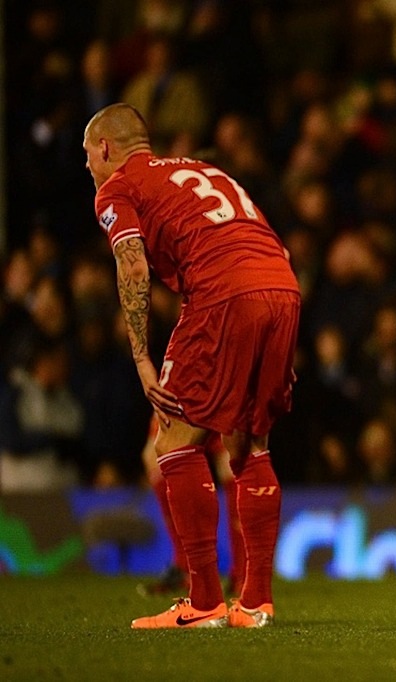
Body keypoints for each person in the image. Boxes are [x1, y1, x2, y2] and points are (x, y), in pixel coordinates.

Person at [83, 103, 300, 629]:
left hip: (223, 293)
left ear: (106, 148)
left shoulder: (116, 189)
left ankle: (203, 602)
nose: (87, 165)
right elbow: (266, 239)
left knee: (173, 443)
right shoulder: (203, 170)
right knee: (249, 443)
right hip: (281, 287)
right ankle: (255, 602)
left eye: (87, 154)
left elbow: (133, 267)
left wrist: (141, 356)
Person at [137, 413, 245, 599]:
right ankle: (186, 567)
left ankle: (242, 573)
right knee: (156, 455)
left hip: (207, 395)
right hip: (178, 396)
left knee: (229, 456)